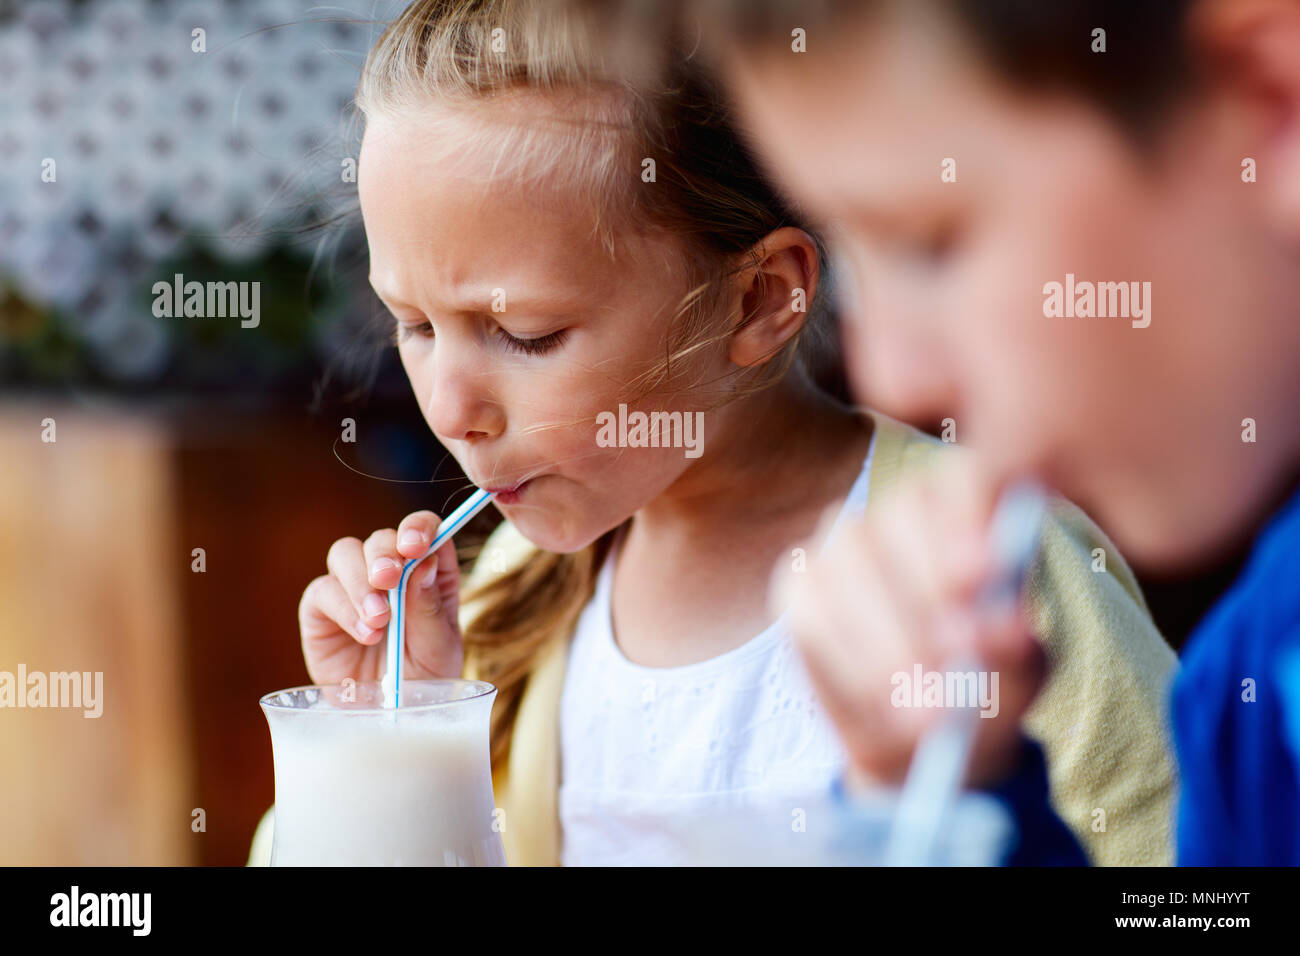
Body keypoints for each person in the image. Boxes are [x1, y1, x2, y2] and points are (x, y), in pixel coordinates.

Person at [247, 0, 1175, 866]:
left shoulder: (997, 575)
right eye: (413, 325)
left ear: (759, 299)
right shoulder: (493, 619)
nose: (449, 409)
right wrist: (381, 730)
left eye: (526, 334)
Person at [708, 0, 1300, 864]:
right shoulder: (1240, 699)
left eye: (925, 243)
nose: (892, 375)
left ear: (1268, 97)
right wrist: (961, 798)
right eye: (857, 265)